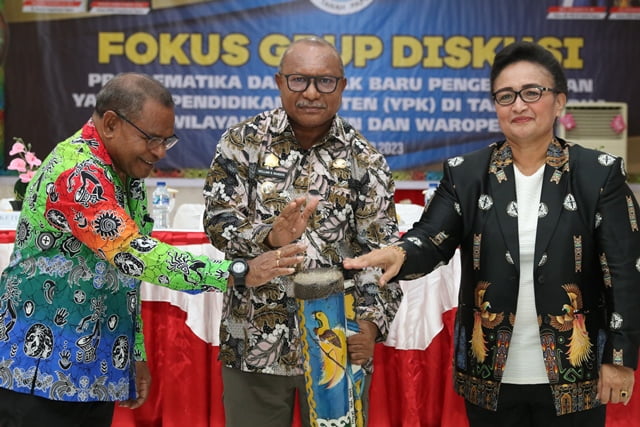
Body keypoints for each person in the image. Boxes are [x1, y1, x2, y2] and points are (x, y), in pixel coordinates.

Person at [344, 41, 640, 426]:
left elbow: (624, 271)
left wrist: (620, 358)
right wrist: (400, 253)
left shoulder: (597, 174)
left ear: (559, 102)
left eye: (532, 92)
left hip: (576, 370)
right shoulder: (467, 174)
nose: (518, 105)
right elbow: (431, 238)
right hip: (490, 374)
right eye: (506, 96)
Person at [0, 72, 305, 427]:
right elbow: (136, 254)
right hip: (39, 369)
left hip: (91, 372)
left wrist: (133, 352)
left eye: (167, 141)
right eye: (152, 139)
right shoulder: (78, 174)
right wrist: (239, 272)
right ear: (111, 123)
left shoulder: (125, 173)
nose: (160, 152)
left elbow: (125, 276)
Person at [203, 36, 403, 426]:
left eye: (325, 81)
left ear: (342, 86)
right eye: (298, 80)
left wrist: (369, 325)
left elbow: (381, 252)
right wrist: (269, 237)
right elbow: (217, 222)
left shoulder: (365, 158)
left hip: (338, 344)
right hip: (255, 342)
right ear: (280, 82)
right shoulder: (242, 143)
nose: (311, 93)